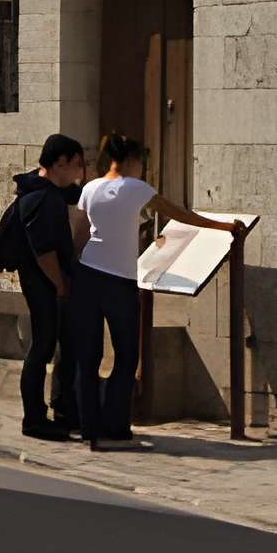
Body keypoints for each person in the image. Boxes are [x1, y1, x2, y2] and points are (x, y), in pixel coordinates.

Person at [72, 134, 234, 453]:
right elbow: (178, 213)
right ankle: (115, 427)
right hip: (119, 280)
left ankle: (88, 426)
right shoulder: (137, 188)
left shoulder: (90, 188)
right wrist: (223, 227)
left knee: (87, 356)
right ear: (134, 160)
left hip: (88, 275)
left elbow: (80, 232)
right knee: (126, 354)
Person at [10, 135, 85, 441]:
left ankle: (62, 410)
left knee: (55, 344)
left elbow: (77, 193)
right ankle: (34, 418)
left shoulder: (43, 188)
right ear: (60, 164)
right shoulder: (42, 198)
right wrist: (60, 284)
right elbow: (44, 252)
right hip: (43, 283)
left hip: (46, 282)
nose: (79, 172)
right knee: (41, 348)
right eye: (76, 165)